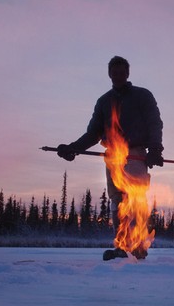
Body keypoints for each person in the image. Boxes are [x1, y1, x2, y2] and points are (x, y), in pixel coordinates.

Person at [57, 56, 164, 258]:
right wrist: (74, 148)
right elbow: (93, 133)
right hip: (112, 156)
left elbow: (154, 122)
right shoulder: (104, 102)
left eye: (122, 72)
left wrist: (155, 149)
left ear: (128, 73)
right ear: (109, 75)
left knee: (134, 198)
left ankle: (138, 246)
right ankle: (122, 246)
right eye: (114, 73)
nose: (118, 76)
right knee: (116, 200)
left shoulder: (142, 96)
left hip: (135, 154)